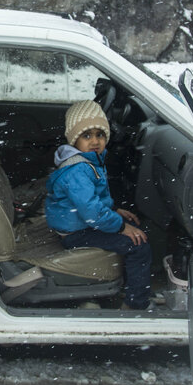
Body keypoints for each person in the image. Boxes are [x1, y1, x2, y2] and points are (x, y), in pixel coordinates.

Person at [45, 100, 153, 310]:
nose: (95, 141)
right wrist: (121, 227)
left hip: (79, 224)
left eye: (100, 135)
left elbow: (94, 201)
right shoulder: (78, 170)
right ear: (74, 139)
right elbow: (92, 213)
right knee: (138, 245)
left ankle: (134, 286)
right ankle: (135, 304)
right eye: (87, 135)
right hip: (76, 233)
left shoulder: (88, 161)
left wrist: (115, 211)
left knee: (136, 228)